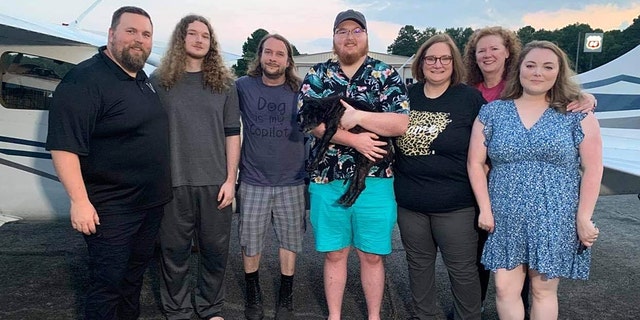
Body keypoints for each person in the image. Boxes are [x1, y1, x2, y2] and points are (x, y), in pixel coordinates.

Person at [45, 6, 171, 319]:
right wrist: (79, 201)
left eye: (145, 34)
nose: (139, 40)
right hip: (111, 210)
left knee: (132, 280)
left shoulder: (141, 78)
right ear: (111, 34)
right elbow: (63, 146)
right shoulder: (85, 80)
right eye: (131, 31)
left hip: (149, 206)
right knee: (107, 285)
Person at [462, 26, 596, 314]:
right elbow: (475, 162)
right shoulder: (493, 112)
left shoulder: (575, 114)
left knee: (542, 290)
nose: (538, 73)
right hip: (505, 213)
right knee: (504, 288)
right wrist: (485, 209)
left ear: (558, 72)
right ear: (519, 69)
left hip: (556, 213)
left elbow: (593, 168)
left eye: (548, 67)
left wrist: (584, 217)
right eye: (531, 65)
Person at [297, 9, 409, 320]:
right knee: (335, 254)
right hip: (326, 178)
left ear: (366, 37)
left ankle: (374, 316)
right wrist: (356, 140)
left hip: (375, 179)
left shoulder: (385, 75)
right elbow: (308, 123)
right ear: (334, 38)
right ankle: (335, 315)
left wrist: (359, 117)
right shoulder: (318, 75)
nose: (349, 36)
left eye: (356, 31)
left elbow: (399, 123)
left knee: (371, 256)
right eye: (342, 31)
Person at [150, 15, 241, 320]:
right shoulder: (160, 82)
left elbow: (232, 133)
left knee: (215, 252)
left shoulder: (225, 85)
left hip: (215, 182)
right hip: (173, 183)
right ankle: (177, 310)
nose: (200, 39)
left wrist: (231, 179)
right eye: (193, 34)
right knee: (173, 252)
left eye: (206, 35)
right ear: (181, 39)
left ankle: (211, 308)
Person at [394, 33, 485, 320]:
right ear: (421, 62)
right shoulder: (406, 97)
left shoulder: (470, 99)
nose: (438, 64)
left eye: (445, 58)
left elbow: (489, 149)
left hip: (456, 206)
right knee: (418, 267)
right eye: (431, 58)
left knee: (463, 271)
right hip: (411, 204)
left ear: (454, 62)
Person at [235, 34, 306, 320]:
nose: (273, 58)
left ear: (288, 60)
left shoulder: (301, 90)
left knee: (290, 241)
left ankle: (285, 296)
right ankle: (253, 294)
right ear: (260, 55)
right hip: (253, 179)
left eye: (280, 54)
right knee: (250, 241)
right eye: (268, 52)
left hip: (292, 180)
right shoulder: (242, 86)